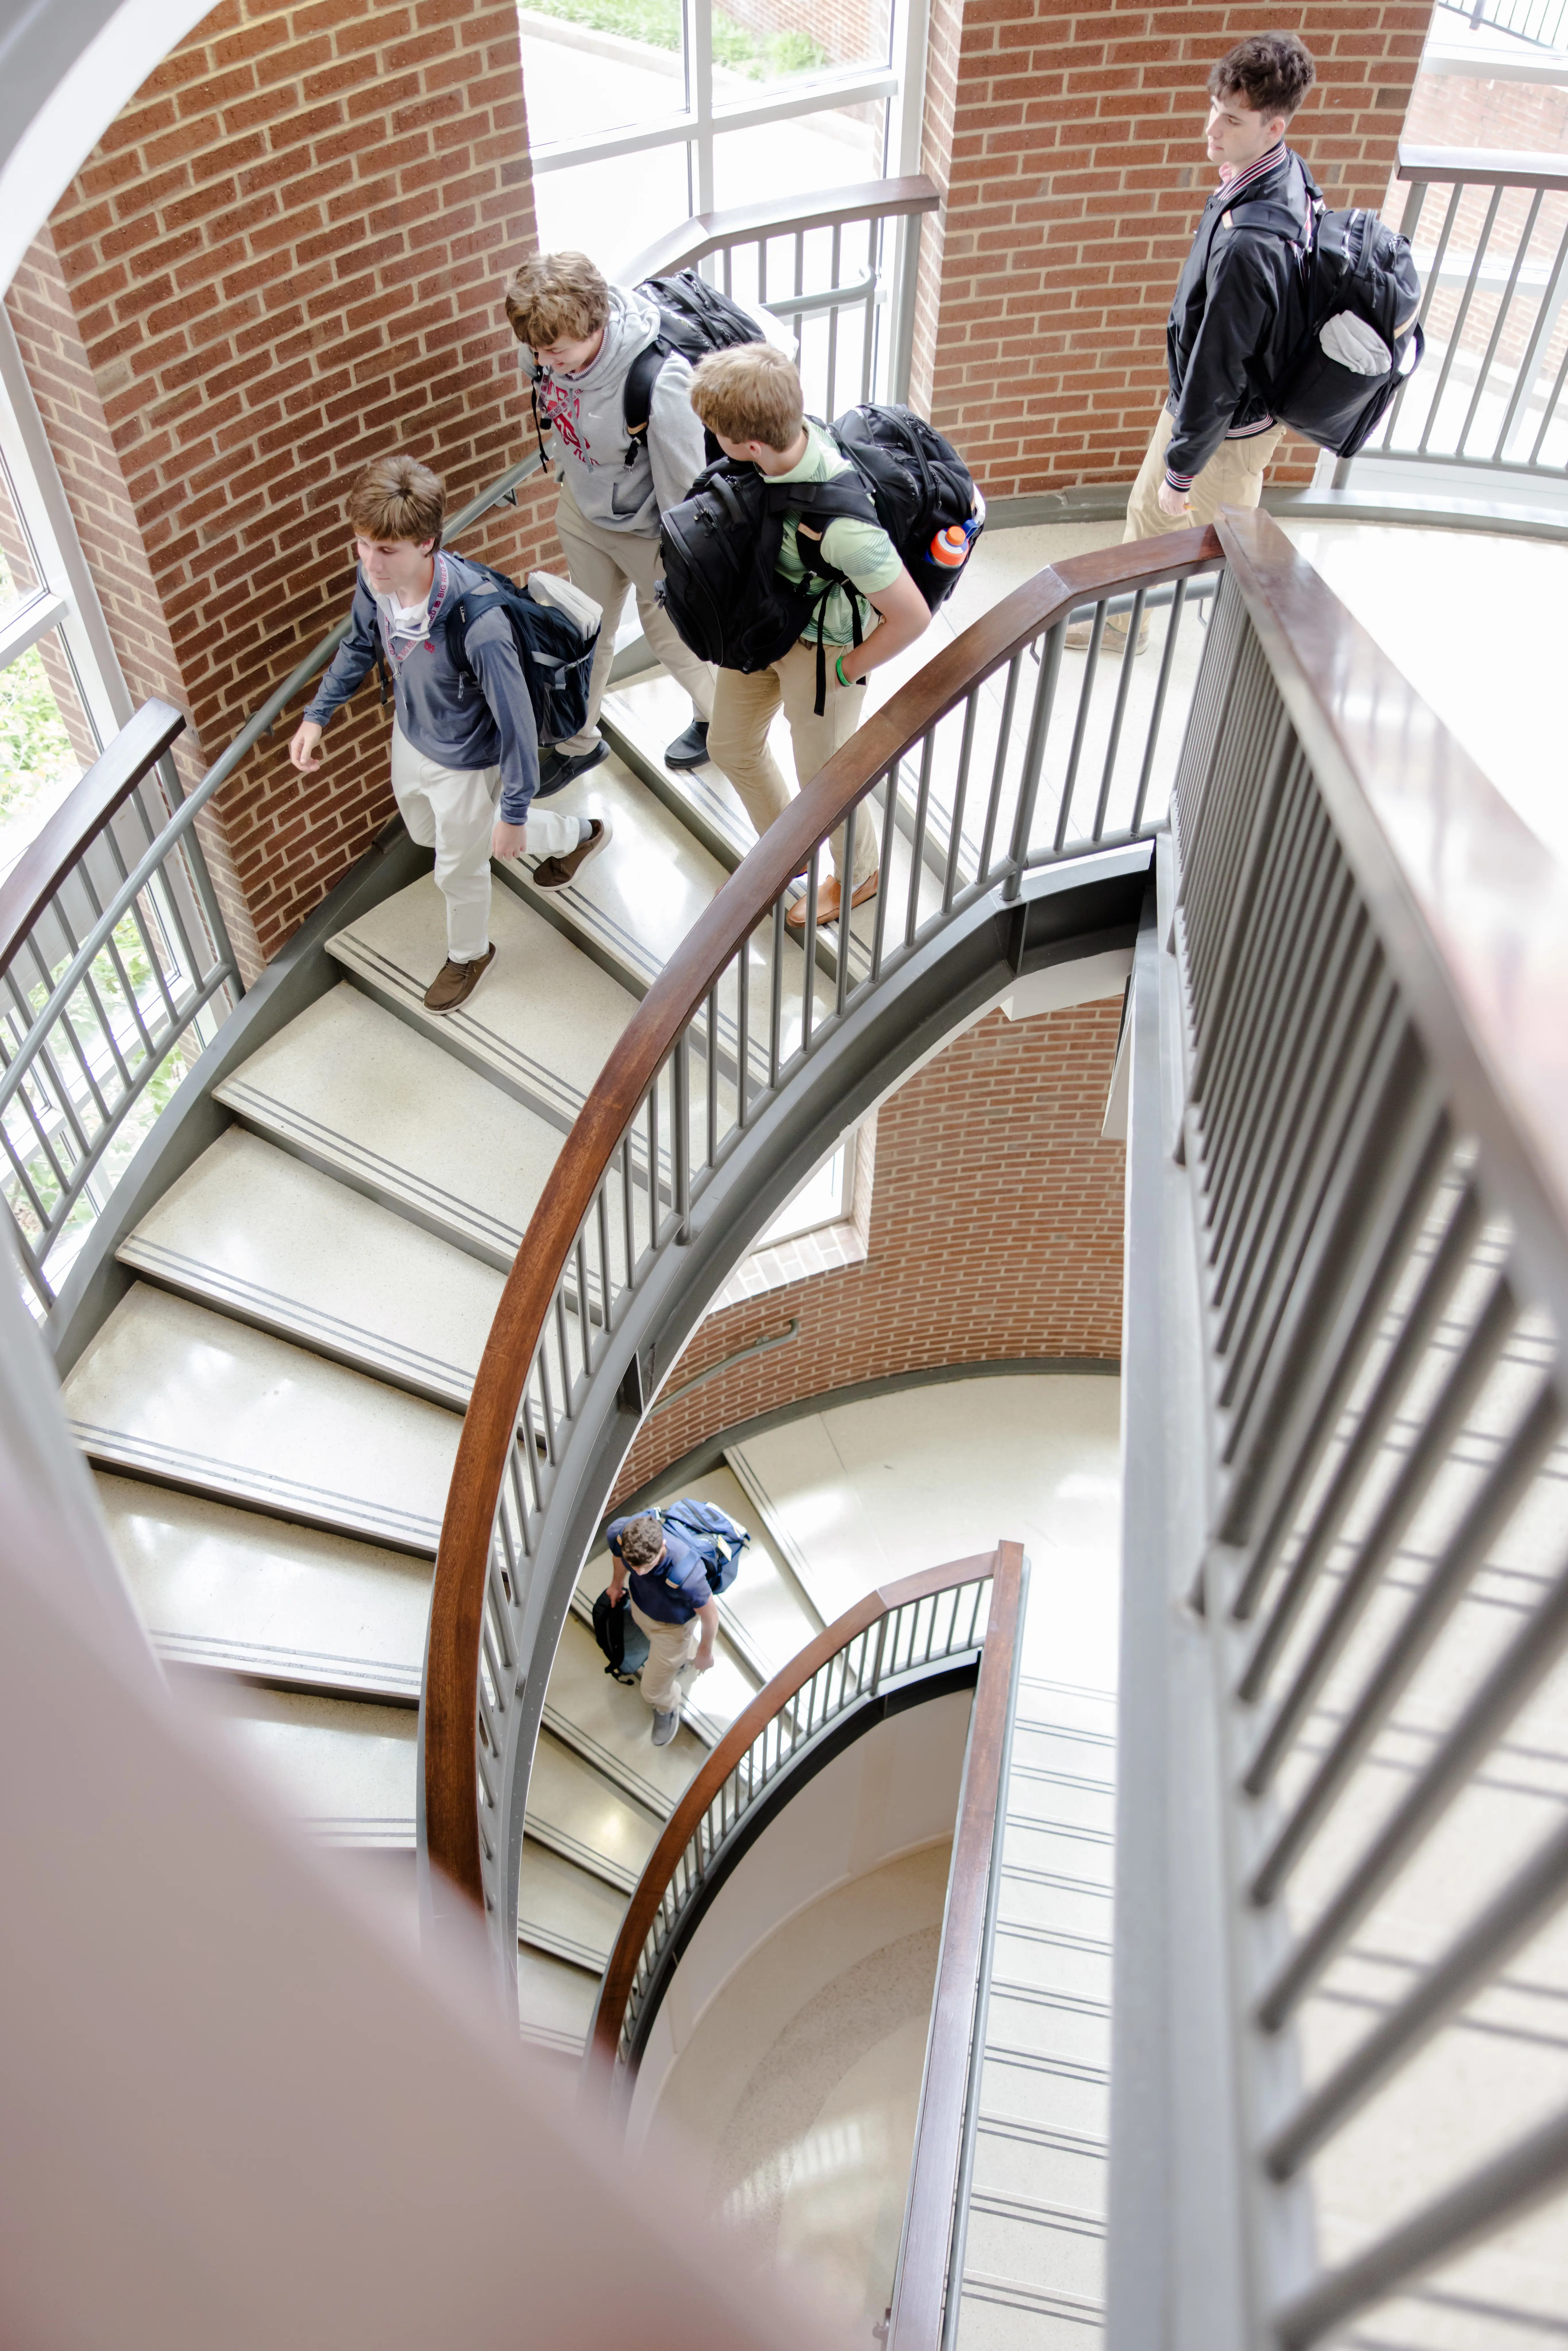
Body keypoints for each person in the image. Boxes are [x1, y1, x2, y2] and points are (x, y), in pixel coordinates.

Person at [290, 454, 611, 1013]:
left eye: (385, 549)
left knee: (457, 870)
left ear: (427, 543)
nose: (370, 562)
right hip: (411, 735)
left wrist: (513, 812)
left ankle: (469, 953)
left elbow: (515, 726)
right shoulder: (378, 584)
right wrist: (318, 714)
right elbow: (361, 645)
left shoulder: (478, 625)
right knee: (425, 833)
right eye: (362, 544)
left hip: (467, 760)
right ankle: (575, 834)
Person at [1072, 32, 1317, 651]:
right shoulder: (1280, 173)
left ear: (1273, 126)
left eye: (1231, 118)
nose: (1212, 127)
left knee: (1167, 514)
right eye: (1213, 106)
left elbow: (1217, 366)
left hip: (1220, 421)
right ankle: (1151, 618)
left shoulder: (1249, 241)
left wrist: (1180, 469)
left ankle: (1137, 628)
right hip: (1241, 416)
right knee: (1215, 519)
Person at [688, 343, 934, 931]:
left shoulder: (845, 526)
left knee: (825, 780)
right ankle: (788, 855)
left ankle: (861, 874)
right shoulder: (764, 459)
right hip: (766, 624)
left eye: (716, 432)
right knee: (730, 744)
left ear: (748, 444)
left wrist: (846, 670)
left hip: (825, 648)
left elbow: (912, 616)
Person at [505, 252, 716, 786]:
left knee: (671, 640)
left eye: (557, 351)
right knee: (583, 632)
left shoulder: (658, 382)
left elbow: (686, 492)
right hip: (584, 507)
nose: (544, 362)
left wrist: (680, 571)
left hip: (649, 534)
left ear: (595, 325)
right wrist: (546, 357)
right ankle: (579, 742)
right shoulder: (544, 348)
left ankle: (722, 722)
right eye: (536, 349)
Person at [604, 1511, 718, 1747]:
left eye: (648, 1566)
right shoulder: (622, 1534)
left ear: (663, 1545)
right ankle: (685, 1657)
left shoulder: (688, 1574)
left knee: (651, 1691)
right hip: (643, 1606)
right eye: (634, 1567)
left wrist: (706, 1652)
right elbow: (619, 1556)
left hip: (673, 1628)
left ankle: (667, 1705)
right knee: (648, 1630)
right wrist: (617, 1585)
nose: (640, 1573)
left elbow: (711, 1616)